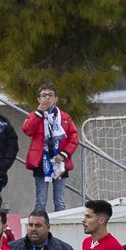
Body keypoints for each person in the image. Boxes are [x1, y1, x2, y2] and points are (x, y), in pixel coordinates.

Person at [22, 82, 80, 212]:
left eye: (50, 95)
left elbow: (74, 138)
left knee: (60, 201)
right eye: (43, 95)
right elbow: (27, 130)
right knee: (40, 201)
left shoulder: (64, 117)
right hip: (41, 161)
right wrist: (39, 113)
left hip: (60, 161)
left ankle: (60, 227)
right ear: (38, 99)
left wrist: (64, 154)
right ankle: (39, 227)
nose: (47, 98)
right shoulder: (34, 115)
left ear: (56, 98)